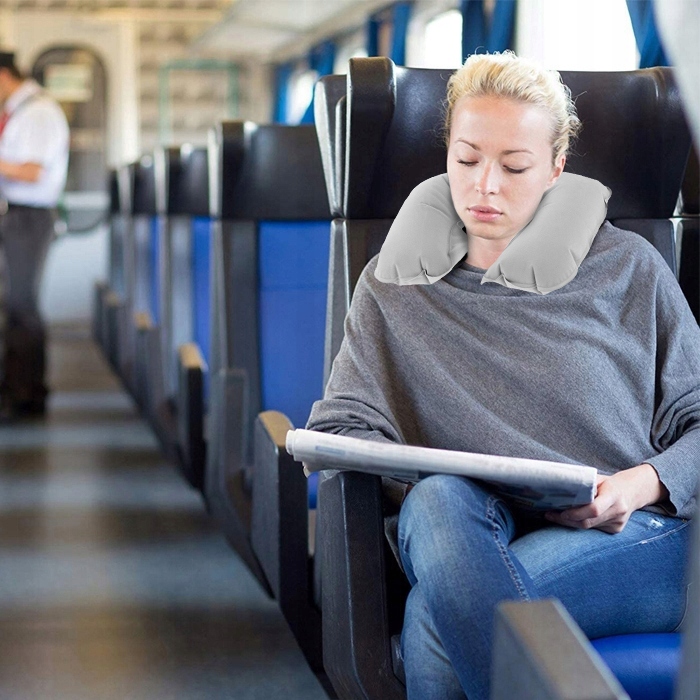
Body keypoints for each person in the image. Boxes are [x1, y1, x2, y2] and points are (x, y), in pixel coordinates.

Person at [306, 50, 699, 700]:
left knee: (434, 620)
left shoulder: (629, 268)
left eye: (514, 166)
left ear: (556, 168)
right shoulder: (393, 285)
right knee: (435, 500)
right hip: (463, 530)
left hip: (632, 532)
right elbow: (345, 423)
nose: (485, 186)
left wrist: (637, 485)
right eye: (466, 160)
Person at [0, 51, 69, 420]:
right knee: (13, 304)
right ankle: (15, 388)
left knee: (22, 304)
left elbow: (31, 172)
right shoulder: (21, 111)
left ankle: (27, 395)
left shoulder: (38, 112)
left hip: (29, 217)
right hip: (16, 215)